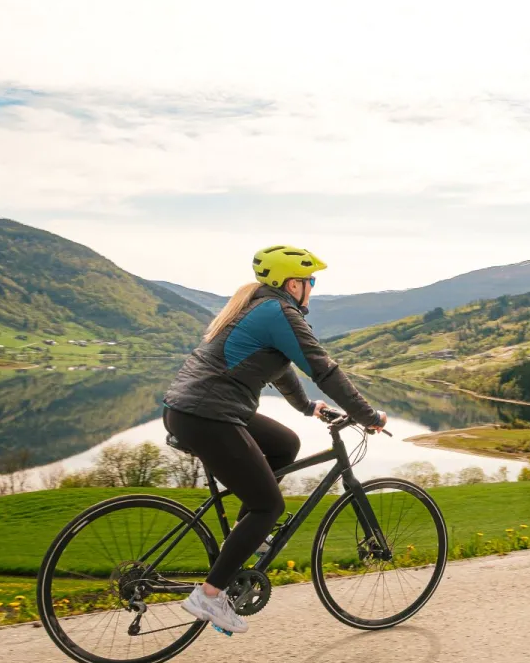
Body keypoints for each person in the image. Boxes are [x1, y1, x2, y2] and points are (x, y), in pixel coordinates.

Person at [162, 245, 386, 634]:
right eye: (311, 281)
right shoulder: (279, 312)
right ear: (293, 283)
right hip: (209, 415)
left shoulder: (261, 307)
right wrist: (369, 417)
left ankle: (244, 536)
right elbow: (324, 369)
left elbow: (281, 368)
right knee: (269, 505)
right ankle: (210, 596)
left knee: (285, 445)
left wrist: (307, 407)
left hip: (195, 410)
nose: (313, 288)